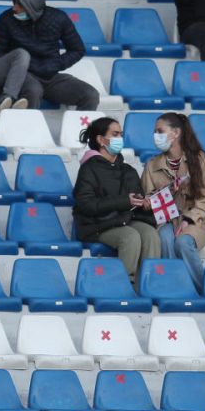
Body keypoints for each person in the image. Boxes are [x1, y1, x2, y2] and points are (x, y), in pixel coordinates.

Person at [74, 116, 161, 286]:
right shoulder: (88, 169)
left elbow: (134, 202)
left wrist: (145, 204)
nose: (120, 139)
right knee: (130, 237)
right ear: (100, 139)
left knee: (151, 234)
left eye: (121, 134)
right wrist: (123, 201)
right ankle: (122, 286)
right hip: (98, 225)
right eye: (115, 134)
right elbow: (86, 205)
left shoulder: (128, 169)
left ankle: (149, 284)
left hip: (125, 220)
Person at [142, 112, 205, 294]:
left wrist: (188, 219)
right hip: (166, 219)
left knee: (183, 242)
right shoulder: (152, 165)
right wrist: (159, 197)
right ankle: (175, 287)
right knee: (165, 239)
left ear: (176, 133)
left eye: (160, 131)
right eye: (154, 131)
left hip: (194, 218)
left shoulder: (199, 159)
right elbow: (149, 197)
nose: (156, 136)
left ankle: (204, 291)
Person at [0, 0, 101, 110]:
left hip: (50, 76)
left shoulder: (59, 18)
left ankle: (81, 130)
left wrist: (56, 64)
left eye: (20, 5)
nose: (14, 8)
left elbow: (77, 49)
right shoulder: (6, 19)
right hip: (20, 76)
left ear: (32, 6)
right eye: (14, 3)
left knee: (90, 95)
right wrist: (26, 66)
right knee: (34, 91)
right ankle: (27, 130)